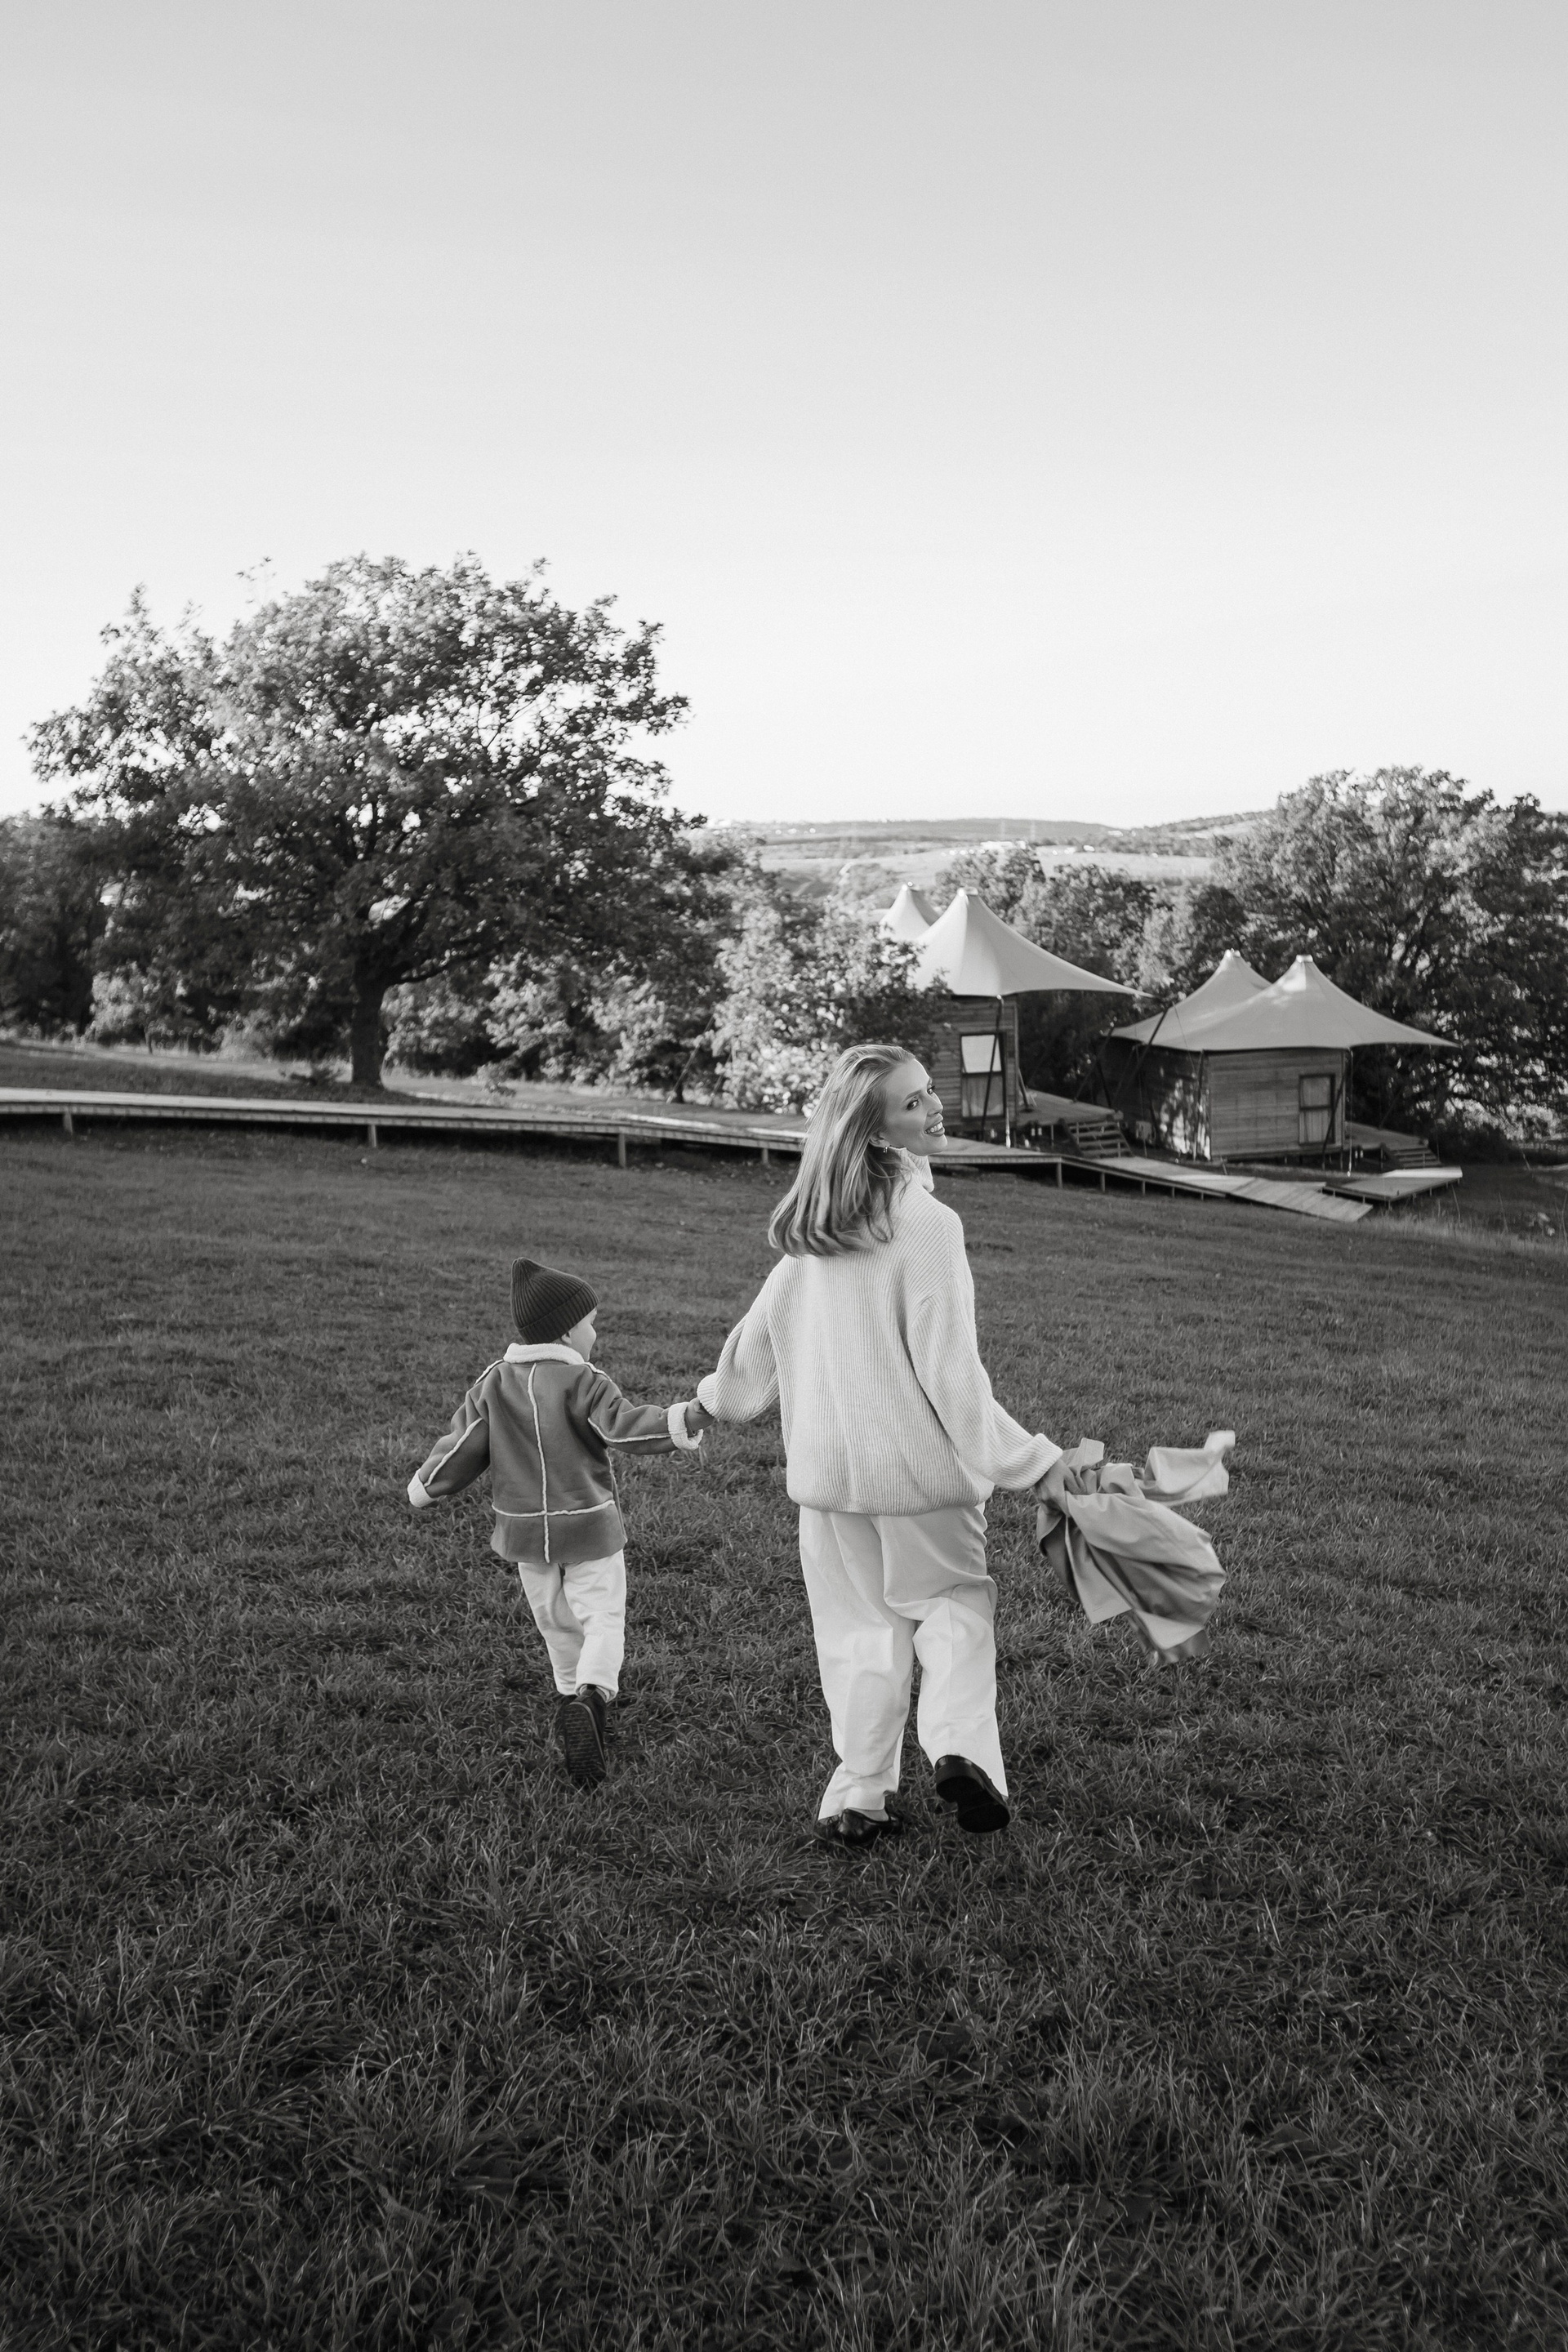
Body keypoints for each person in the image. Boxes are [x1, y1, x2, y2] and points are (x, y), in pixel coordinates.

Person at [696, 1041, 1073, 1847]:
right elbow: (953, 1376)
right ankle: (961, 1751)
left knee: (858, 1638)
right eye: (912, 1102)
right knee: (954, 1610)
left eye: (928, 1090)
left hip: (830, 1483)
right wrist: (1034, 1463)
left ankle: (858, 1796)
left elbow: (755, 1344)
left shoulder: (818, 1228)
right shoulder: (927, 1226)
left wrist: (712, 1403)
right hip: (919, 1481)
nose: (934, 1107)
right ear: (874, 1132)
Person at [408, 1255, 707, 1788]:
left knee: (555, 1620)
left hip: (524, 1533)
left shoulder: (493, 1384)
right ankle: (593, 1697)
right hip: (588, 1527)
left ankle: (570, 1697)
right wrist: (682, 1418)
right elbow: (623, 1428)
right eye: (592, 1323)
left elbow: (463, 1444)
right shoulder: (584, 1381)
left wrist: (427, 1484)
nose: (595, 1334)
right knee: (601, 1617)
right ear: (568, 1331)